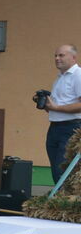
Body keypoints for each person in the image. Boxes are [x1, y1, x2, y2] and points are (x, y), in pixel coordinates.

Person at [37, 44, 81, 183]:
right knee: (56, 170)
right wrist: (47, 106)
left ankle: (65, 201)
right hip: (55, 127)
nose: (57, 58)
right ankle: (61, 200)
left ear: (73, 57)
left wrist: (55, 107)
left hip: (71, 128)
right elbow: (59, 105)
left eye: (61, 55)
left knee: (62, 170)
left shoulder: (78, 75)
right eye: (55, 55)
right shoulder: (60, 77)